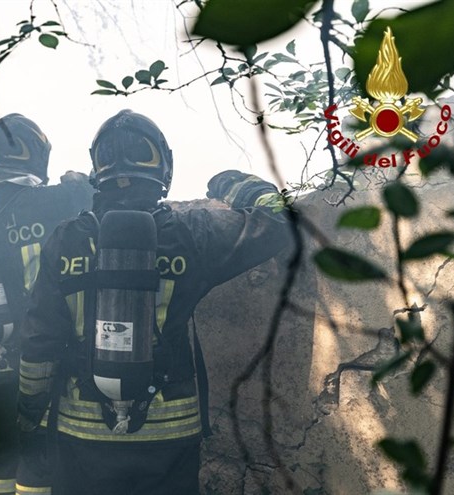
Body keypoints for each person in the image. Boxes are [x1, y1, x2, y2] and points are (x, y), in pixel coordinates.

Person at [16, 109, 292, 495]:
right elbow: (281, 219)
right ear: (162, 167)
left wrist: (29, 412)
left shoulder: (65, 240)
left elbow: (38, 342)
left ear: (99, 170)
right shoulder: (192, 232)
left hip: (81, 436)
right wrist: (234, 184)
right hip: (169, 436)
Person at [0, 113, 92, 495]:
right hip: (47, 363)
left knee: (1, 454)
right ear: (37, 156)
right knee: (39, 460)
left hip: (2, 363)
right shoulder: (59, 200)